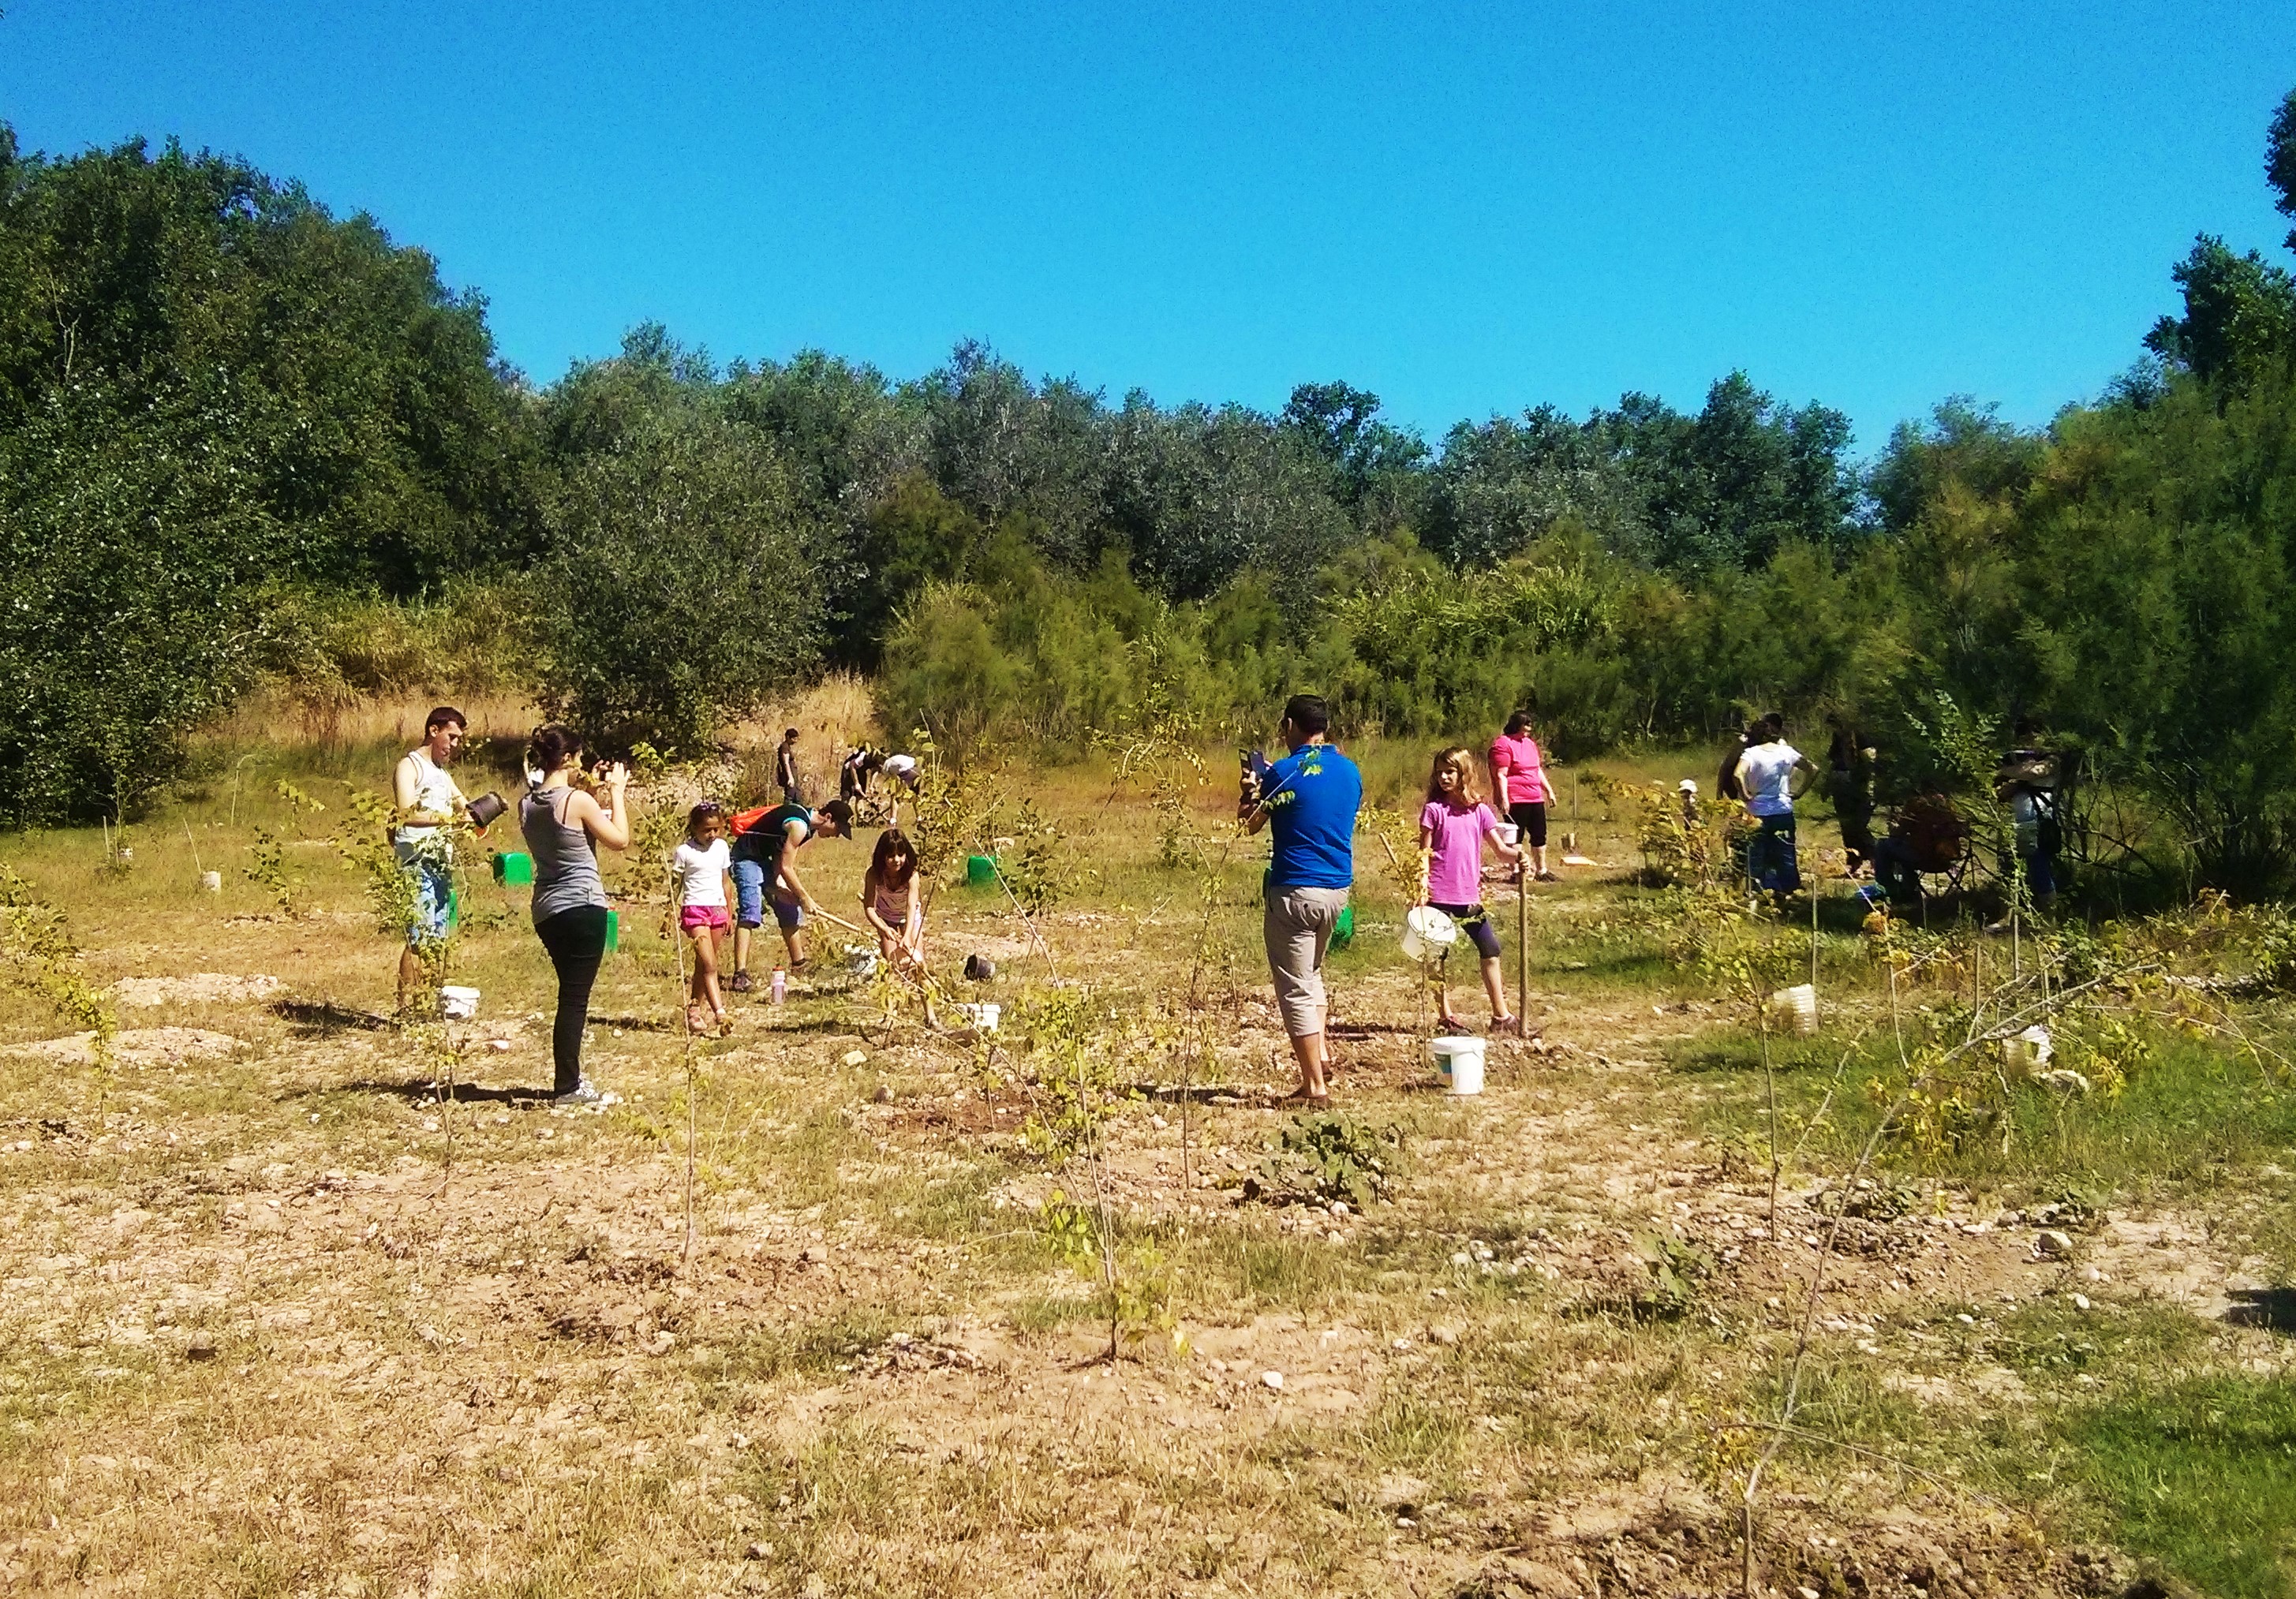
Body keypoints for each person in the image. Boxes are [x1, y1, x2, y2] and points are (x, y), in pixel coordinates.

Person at [1239, 693, 1362, 1107]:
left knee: (1294, 988)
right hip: (1336, 890)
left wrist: (1251, 792)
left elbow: (1252, 825)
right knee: (1312, 974)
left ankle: (1314, 1087)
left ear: (1290, 724)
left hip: (1295, 889)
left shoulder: (1285, 773)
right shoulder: (1350, 771)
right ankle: (1322, 1054)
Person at [519, 726, 630, 1105]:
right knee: (575, 999)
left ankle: (568, 1079)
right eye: (579, 756)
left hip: (547, 909)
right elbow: (619, 839)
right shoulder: (576, 800)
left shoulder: (527, 803)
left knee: (569, 995)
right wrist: (616, 792)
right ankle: (567, 1085)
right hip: (582, 903)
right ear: (567, 759)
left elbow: (565, 835)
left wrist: (594, 794)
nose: (582, 763)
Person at [1417, 746, 1523, 1033]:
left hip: (1468, 897)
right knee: (1437, 956)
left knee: (1490, 949)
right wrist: (1421, 889)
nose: (1443, 777)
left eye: (1449, 771)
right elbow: (1423, 854)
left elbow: (1500, 850)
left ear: (1464, 773)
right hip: (1437, 897)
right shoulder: (1434, 811)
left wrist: (1519, 856)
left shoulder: (1480, 811)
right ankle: (1445, 1016)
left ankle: (1501, 1017)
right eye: (1439, 772)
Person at [392, 707, 471, 1012]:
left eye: (459, 739)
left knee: (436, 936)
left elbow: (464, 806)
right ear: (434, 731)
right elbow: (405, 812)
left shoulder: (442, 773)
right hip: (417, 860)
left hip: (441, 861)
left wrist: (481, 813)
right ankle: (405, 1008)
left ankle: (426, 1002)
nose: (454, 744)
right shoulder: (410, 766)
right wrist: (447, 818)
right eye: (451, 736)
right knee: (417, 937)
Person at [757, 797, 854, 972]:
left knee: (789, 906)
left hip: (768, 860)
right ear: (828, 817)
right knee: (750, 912)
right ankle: (740, 973)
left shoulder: (808, 831)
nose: (836, 835)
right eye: (838, 829)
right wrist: (804, 897)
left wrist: (781, 886)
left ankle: (799, 964)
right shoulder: (800, 826)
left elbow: (780, 854)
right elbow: (787, 867)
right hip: (749, 857)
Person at [861, 827, 937, 1026]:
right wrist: (884, 929)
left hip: (910, 919)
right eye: (891, 855)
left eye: (900, 855)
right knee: (892, 967)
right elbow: (869, 907)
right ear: (882, 856)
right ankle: (890, 1016)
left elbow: (912, 907)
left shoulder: (911, 876)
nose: (896, 860)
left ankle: (931, 1016)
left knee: (919, 963)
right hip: (886, 919)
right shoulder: (874, 875)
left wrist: (907, 935)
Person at [1735, 713, 1816, 900]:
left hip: (1757, 811)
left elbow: (1737, 774)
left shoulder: (1751, 754)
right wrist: (1800, 792)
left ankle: (1756, 893)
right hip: (1782, 810)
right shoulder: (1787, 752)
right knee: (1785, 853)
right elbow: (1813, 769)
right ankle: (1788, 893)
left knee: (1756, 855)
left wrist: (1746, 795)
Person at [671, 801, 735, 1035]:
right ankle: (720, 1013)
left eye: (716, 829)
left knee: (704, 964)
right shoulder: (684, 852)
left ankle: (694, 1009)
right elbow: (675, 885)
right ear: (694, 828)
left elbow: (725, 881)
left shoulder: (722, 848)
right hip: (695, 910)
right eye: (706, 830)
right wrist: (669, 912)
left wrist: (729, 911)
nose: (712, 834)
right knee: (709, 964)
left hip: (717, 909)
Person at [1489, 709, 1556, 882]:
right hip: (1516, 798)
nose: (1527, 732)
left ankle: (1542, 870)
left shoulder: (1530, 744)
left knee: (1539, 834)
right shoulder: (1503, 744)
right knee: (1516, 835)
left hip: (1535, 796)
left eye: (1529, 728)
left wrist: (1548, 790)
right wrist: (1504, 798)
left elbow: (1537, 769)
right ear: (1516, 725)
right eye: (1525, 727)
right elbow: (1501, 774)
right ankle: (1519, 871)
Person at [1826, 717, 1878, 876]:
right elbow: (1833, 760)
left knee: (1859, 827)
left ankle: (1876, 860)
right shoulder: (1839, 738)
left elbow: (1869, 767)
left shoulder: (1862, 737)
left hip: (1859, 789)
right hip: (1842, 785)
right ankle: (1855, 861)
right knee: (1847, 826)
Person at [775, 727, 805, 805]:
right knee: (790, 797)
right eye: (794, 739)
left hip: (792, 776)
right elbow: (786, 763)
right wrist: (790, 778)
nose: (795, 741)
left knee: (797, 796)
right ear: (788, 737)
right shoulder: (784, 747)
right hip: (789, 777)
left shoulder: (787, 746)